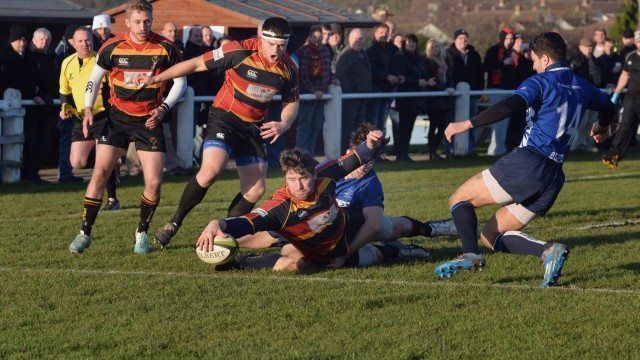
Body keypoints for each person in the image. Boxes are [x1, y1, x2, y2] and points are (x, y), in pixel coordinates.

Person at [437, 32, 615, 287]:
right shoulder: (582, 84)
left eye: (534, 60)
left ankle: (470, 255)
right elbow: (608, 106)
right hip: (554, 176)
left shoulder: (540, 82)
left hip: (528, 162)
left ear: (545, 58)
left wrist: (466, 123)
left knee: (459, 199)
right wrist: (601, 126)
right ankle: (548, 251)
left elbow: (510, 106)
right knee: (491, 235)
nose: (533, 65)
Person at [138, 17, 299, 248]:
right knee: (211, 171)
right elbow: (194, 64)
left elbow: (291, 102)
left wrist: (284, 124)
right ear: (261, 38)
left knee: (256, 189)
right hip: (225, 118)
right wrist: (156, 78)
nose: (276, 51)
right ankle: (174, 222)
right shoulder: (239, 50)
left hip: (253, 126)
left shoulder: (289, 69)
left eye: (282, 46)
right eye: (272, 44)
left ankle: (225, 231)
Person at [197, 130, 435, 271]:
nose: (299, 185)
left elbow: (356, 158)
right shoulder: (279, 208)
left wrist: (371, 144)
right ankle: (242, 263)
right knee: (295, 265)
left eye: (304, 178)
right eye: (292, 179)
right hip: (316, 251)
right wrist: (218, 224)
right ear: (285, 178)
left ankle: (405, 245)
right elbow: (247, 222)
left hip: (346, 232)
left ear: (314, 173)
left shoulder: (326, 175)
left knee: (384, 241)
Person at [69, 0, 185, 254]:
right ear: (127, 22)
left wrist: (164, 108)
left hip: (150, 120)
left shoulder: (166, 48)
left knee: (154, 182)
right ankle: (84, 232)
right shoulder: (112, 46)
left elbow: (180, 82)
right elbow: (95, 79)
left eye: (147, 21)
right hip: (118, 118)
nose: (143, 26)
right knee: (99, 172)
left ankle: (141, 232)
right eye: (137, 22)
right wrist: (88, 108)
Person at [59, 27, 121, 208]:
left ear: (92, 41)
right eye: (80, 41)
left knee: (102, 163)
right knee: (77, 162)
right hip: (81, 118)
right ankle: (111, 165)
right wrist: (65, 108)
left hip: (103, 115)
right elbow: (64, 92)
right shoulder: (67, 63)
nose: (84, 44)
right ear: (73, 42)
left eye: (87, 40)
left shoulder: (101, 60)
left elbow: (114, 89)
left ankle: (112, 199)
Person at [602, 31, 640, 168]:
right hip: (632, 98)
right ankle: (613, 155)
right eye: (639, 41)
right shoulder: (630, 57)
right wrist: (616, 93)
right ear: (636, 42)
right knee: (625, 125)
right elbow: (625, 76)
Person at [445, 29, 484, 154]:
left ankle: (469, 149)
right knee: (451, 122)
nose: (463, 40)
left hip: (471, 95)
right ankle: (450, 149)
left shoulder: (474, 55)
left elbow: (480, 75)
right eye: (460, 38)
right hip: (453, 95)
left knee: (471, 122)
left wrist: (479, 92)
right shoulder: (448, 54)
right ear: (455, 40)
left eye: (465, 38)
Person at [295, 25, 333, 155]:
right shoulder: (305, 51)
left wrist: (333, 80)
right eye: (315, 36)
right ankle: (300, 157)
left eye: (319, 36)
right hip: (308, 95)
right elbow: (303, 75)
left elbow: (328, 71)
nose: (317, 39)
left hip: (322, 95)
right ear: (310, 37)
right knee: (304, 127)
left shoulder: (325, 50)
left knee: (316, 127)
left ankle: (309, 156)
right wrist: (313, 91)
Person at [390, 33, 427, 162]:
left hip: (416, 98)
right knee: (403, 128)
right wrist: (417, 82)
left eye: (413, 42)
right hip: (404, 98)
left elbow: (422, 74)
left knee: (409, 127)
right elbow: (400, 77)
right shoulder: (400, 57)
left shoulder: (419, 58)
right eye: (408, 42)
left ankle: (404, 153)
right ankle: (400, 154)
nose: (411, 44)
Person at [335, 29, 372, 152]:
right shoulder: (346, 55)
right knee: (348, 128)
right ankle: (345, 153)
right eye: (356, 38)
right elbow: (341, 76)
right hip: (350, 99)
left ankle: (356, 153)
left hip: (362, 98)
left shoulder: (363, 54)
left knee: (359, 128)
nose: (358, 41)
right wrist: (351, 93)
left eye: (360, 39)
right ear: (349, 39)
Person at [483, 27, 518, 156]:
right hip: (497, 89)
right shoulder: (493, 51)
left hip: (510, 90)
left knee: (505, 122)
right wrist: (503, 63)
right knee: (499, 121)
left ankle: (495, 149)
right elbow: (486, 67)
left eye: (512, 39)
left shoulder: (513, 52)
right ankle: (499, 150)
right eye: (508, 38)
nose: (510, 41)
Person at [424, 39, 454, 160]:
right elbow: (430, 79)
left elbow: (450, 77)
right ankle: (432, 152)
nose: (435, 49)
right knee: (433, 125)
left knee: (442, 126)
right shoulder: (427, 62)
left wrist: (450, 87)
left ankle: (435, 150)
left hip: (445, 98)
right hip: (434, 98)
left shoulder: (446, 61)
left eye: (437, 46)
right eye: (432, 47)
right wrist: (443, 89)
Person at [570, 38, 602, 151]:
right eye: (586, 46)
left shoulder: (594, 60)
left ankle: (588, 145)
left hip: (593, 96)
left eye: (590, 46)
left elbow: (598, 77)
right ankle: (578, 146)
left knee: (591, 122)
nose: (589, 49)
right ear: (580, 47)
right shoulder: (575, 61)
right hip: (580, 97)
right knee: (581, 123)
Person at [366, 23, 399, 132]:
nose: (383, 35)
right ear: (375, 34)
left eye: (385, 33)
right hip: (375, 89)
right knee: (373, 121)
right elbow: (372, 69)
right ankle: (371, 147)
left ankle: (379, 148)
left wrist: (397, 77)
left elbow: (395, 65)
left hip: (387, 89)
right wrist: (386, 76)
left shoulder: (392, 49)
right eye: (381, 33)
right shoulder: (370, 50)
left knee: (382, 122)